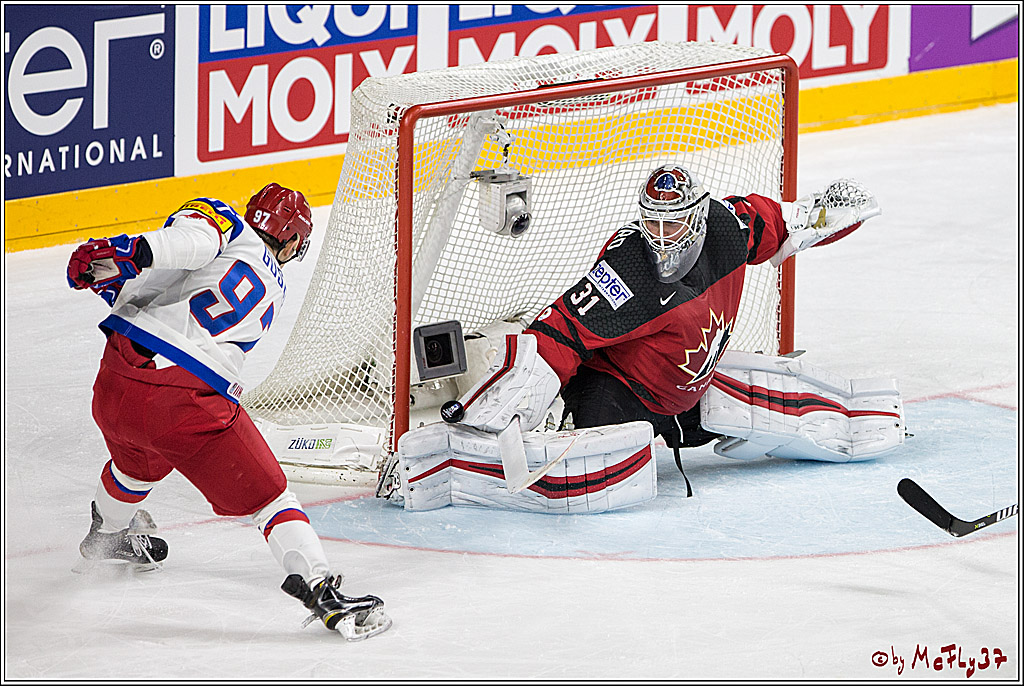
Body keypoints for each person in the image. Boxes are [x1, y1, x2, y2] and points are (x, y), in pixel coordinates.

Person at [380, 163, 896, 511]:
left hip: (682, 395)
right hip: (615, 394)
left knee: (752, 407)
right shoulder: (628, 272)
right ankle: (453, 460)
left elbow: (791, 223)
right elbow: (558, 336)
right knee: (589, 454)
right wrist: (511, 409)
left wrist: (837, 213)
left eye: (673, 225)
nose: (660, 237)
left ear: (697, 218)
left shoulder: (727, 227)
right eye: (653, 223)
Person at [67, 183, 392, 641]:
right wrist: (138, 256)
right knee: (272, 499)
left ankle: (106, 535)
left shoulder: (227, 222)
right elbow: (190, 251)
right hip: (184, 399)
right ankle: (324, 595)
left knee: (136, 463)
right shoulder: (271, 281)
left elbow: (183, 248)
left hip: (116, 384)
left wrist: (125, 260)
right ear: (294, 241)